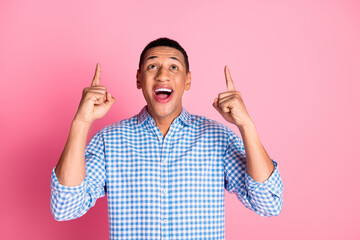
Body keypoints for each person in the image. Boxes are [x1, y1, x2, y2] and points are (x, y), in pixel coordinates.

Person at [50, 37, 283, 239]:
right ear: (139, 79)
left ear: (187, 80)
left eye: (174, 67)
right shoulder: (108, 141)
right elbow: (65, 207)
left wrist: (246, 125)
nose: (163, 74)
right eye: (153, 66)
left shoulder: (217, 138)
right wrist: (81, 122)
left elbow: (268, 202)